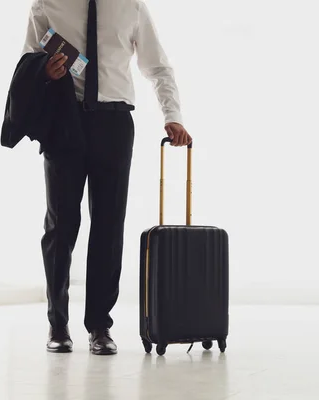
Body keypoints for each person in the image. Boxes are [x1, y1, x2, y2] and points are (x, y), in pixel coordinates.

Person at [21, 0, 192, 355]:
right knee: (60, 225)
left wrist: (172, 114)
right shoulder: (46, 4)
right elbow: (26, 63)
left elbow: (158, 67)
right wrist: (45, 74)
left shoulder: (130, 5)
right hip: (64, 119)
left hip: (114, 122)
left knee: (109, 226)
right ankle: (58, 324)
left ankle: (99, 326)